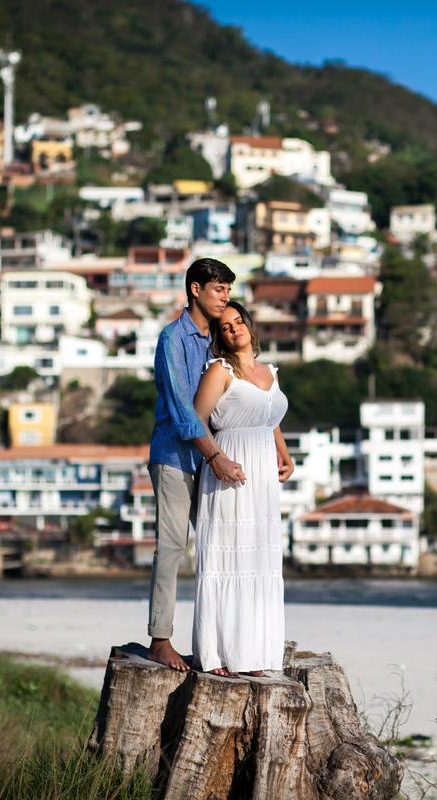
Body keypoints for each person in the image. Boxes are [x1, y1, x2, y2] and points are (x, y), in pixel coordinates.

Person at [146, 258, 242, 671]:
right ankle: (160, 641)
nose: (226, 297)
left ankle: (221, 646)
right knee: (171, 549)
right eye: (219, 289)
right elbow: (183, 411)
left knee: (220, 549)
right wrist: (216, 456)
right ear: (195, 290)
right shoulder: (171, 338)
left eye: (228, 290)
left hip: (208, 461)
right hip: (174, 458)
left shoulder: (217, 342)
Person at [190, 301, 294, 676]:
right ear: (219, 336)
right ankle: (218, 654)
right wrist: (217, 459)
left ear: (249, 325)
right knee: (228, 556)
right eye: (225, 325)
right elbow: (195, 419)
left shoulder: (270, 371)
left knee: (258, 560)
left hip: (264, 476)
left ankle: (254, 655)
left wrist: (284, 454)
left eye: (238, 321)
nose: (233, 328)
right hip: (229, 469)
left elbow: (269, 418)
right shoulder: (219, 371)